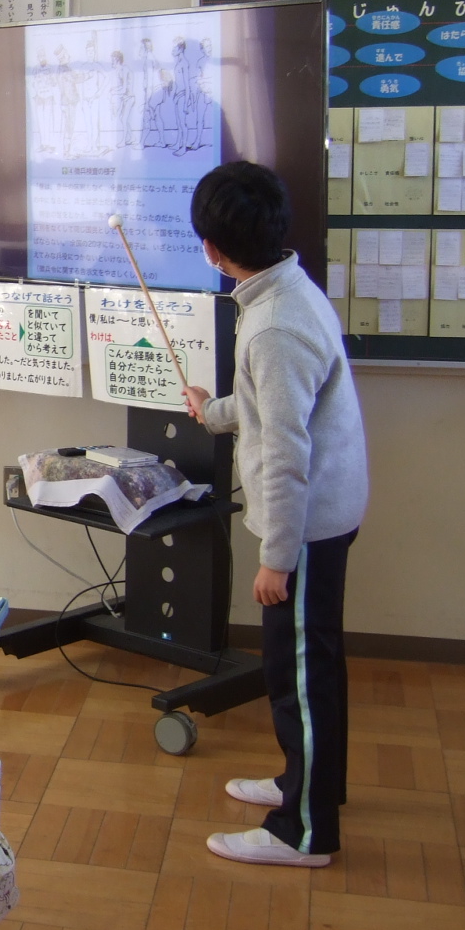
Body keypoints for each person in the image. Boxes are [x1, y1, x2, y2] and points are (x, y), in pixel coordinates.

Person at [180, 162, 368, 868]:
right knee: (310, 667)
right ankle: (310, 784)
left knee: (298, 679)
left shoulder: (273, 327)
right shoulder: (286, 288)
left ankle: (305, 833)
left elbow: (287, 453)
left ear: (213, 249)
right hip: (321, 515)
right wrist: (215, 412)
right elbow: (275, 405)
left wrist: (276, 559)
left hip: (306, 528)